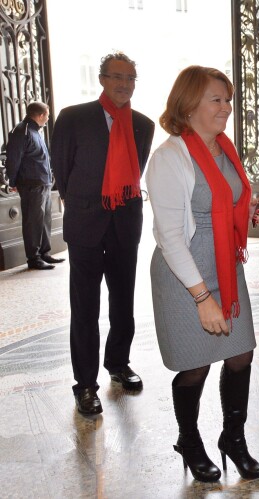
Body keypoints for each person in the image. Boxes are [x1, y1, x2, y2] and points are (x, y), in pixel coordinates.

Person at [146, 65, 259, 482]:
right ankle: (189, 439)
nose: (226, 107)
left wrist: (248, 209)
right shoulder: (168, 157)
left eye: (228, 99)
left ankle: (233, 439)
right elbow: (170, 236)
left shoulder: (224, 148)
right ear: (188, 105)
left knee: (240, 354)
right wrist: (202, 298)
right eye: (216, 99)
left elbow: (222, 203)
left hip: (226, 267)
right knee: (195, 363)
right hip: (185, 276)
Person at [51, 52, 155, 416]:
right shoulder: (73, 118)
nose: (124, 84)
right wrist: (84, 202)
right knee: (85, 308)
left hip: (125, 225)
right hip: (85, 224)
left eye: (131, 78)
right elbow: (61, 171)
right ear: (102, 79)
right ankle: (85, 385)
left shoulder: (143, 125)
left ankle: (118, 364)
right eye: (117, 77)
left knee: (123, 302)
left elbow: (137, 169)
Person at [5, 101, 64, 270]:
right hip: (31, 184)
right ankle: (34, 258)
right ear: (40, 115)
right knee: (33, 222)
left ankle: (44, 253)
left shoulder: (35, 131)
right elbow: (13, 159)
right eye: (47, 114)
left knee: (44, 220)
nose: (48, 118)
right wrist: (13, 181)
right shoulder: (21, 131)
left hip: (43, 183)